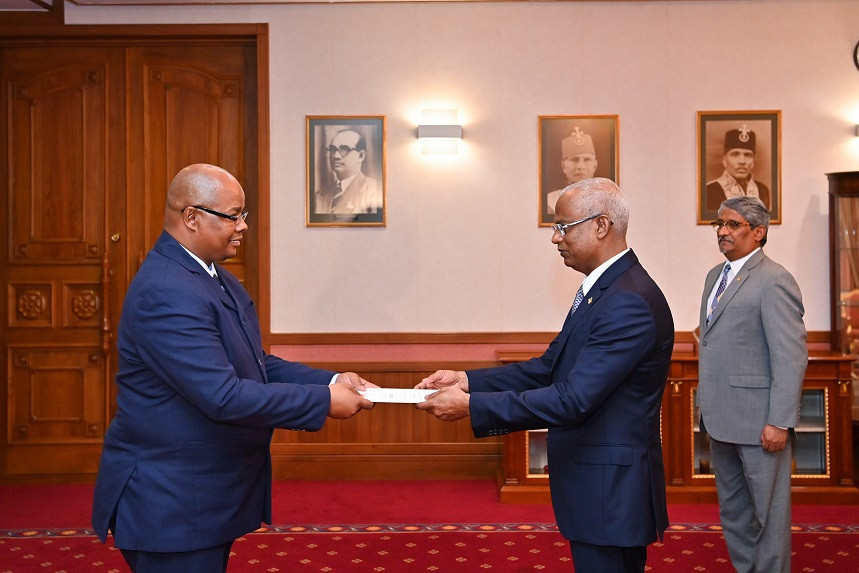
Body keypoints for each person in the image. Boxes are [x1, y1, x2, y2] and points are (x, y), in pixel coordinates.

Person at [92, 163, 375, 573]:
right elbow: (223, 395)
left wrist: (333, 380)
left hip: (200, 496)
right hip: (171, 504)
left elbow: (255, 365)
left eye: (244, 214)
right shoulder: (168, 289)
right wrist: (324, 401)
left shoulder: (213, 276)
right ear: (192, 217)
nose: (243, 226)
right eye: (232, 216)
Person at [416, 177, 674, 573]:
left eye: (563, 227)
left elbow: (573, 399)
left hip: (611, 491)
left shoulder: (628, 301)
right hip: (599, 486)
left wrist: (472, 406)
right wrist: (466, 380)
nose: (556, 238)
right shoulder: (605, 290)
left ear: (601, 226)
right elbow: (547, 368)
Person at [697, 196, 807, 573]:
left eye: (733, 224)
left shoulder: (775, 279)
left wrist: (780, 421)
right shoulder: (715, 276)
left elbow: (790, 356)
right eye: (719, 224)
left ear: (758, 232)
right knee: (735, 512)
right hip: (719, 419)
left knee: (769, 516)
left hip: (760, 423)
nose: (722, 231)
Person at [315, 128, 382, 216]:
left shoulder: (373, 189)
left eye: (344, 149)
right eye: (333, 149)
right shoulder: (320, 195)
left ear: (361, 156)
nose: (336, 156)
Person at [705, 125, 771, 212]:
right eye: (735, 154)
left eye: (748, 155)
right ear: (724, 160)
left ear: (753, 162)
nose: (742, 161)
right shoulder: (708, 191)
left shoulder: (762, 190)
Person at [546, 126, 598, 214]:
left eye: (587, 160)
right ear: (563, 166)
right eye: (574, 160)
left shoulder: (605, 200)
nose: (580, 166)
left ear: (595, 165)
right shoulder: (551, 202)